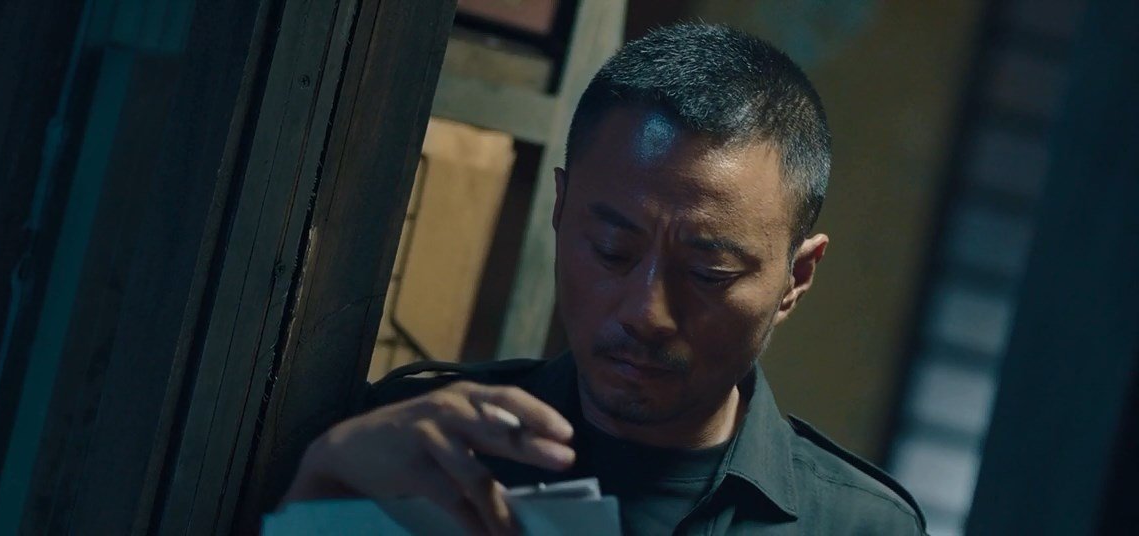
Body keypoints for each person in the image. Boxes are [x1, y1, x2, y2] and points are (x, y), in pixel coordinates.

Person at [283, 23, 925, 535]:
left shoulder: (860, 527)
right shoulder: (422, 447)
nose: (646, 312)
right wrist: (316, 491)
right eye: (613, 251)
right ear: (561, 211)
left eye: (708, 273)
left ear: (797, 275)